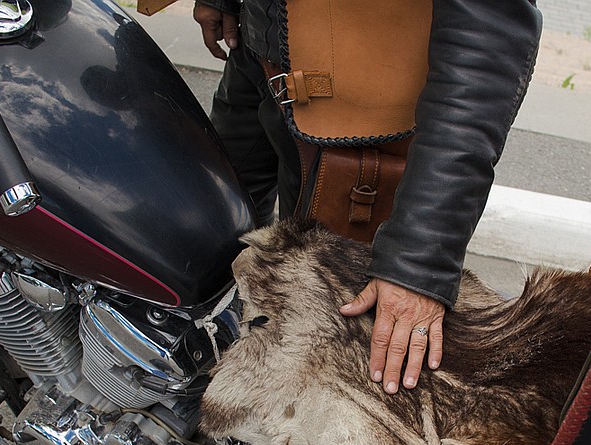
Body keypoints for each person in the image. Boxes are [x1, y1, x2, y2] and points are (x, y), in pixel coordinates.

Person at [193, 0, 542, 395]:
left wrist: (417, 263)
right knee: (202, 251)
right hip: (256, 52)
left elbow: (485, 53)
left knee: (323, 356)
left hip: (359, 129)